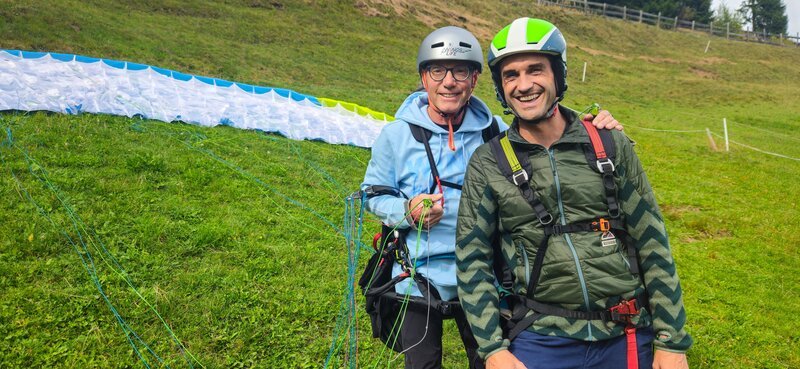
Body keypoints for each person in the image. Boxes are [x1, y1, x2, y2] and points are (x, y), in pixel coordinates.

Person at [361, 25, 622, 369]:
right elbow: (373, 195)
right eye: (437, 70)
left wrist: (590, 129)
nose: (449, 82)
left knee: (490, 360)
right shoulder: (396, 135)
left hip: (486, 275)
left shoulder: (495, 131)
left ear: (475, 80)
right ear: (424, 78)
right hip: (416, 275)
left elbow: (545, 130)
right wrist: (407, 211)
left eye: (461, 71)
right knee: (422, 364)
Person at [455, 17, 692, 369]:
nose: (523, 85)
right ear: (500, 87)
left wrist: (671, 341)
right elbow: (471, 259)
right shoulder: (487, 162)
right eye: (511, 75)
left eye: (535, 70)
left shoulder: (609, 143)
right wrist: (493, 349)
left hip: (623, 330)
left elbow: (652, 240)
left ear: (558, 75)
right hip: (541, 335)